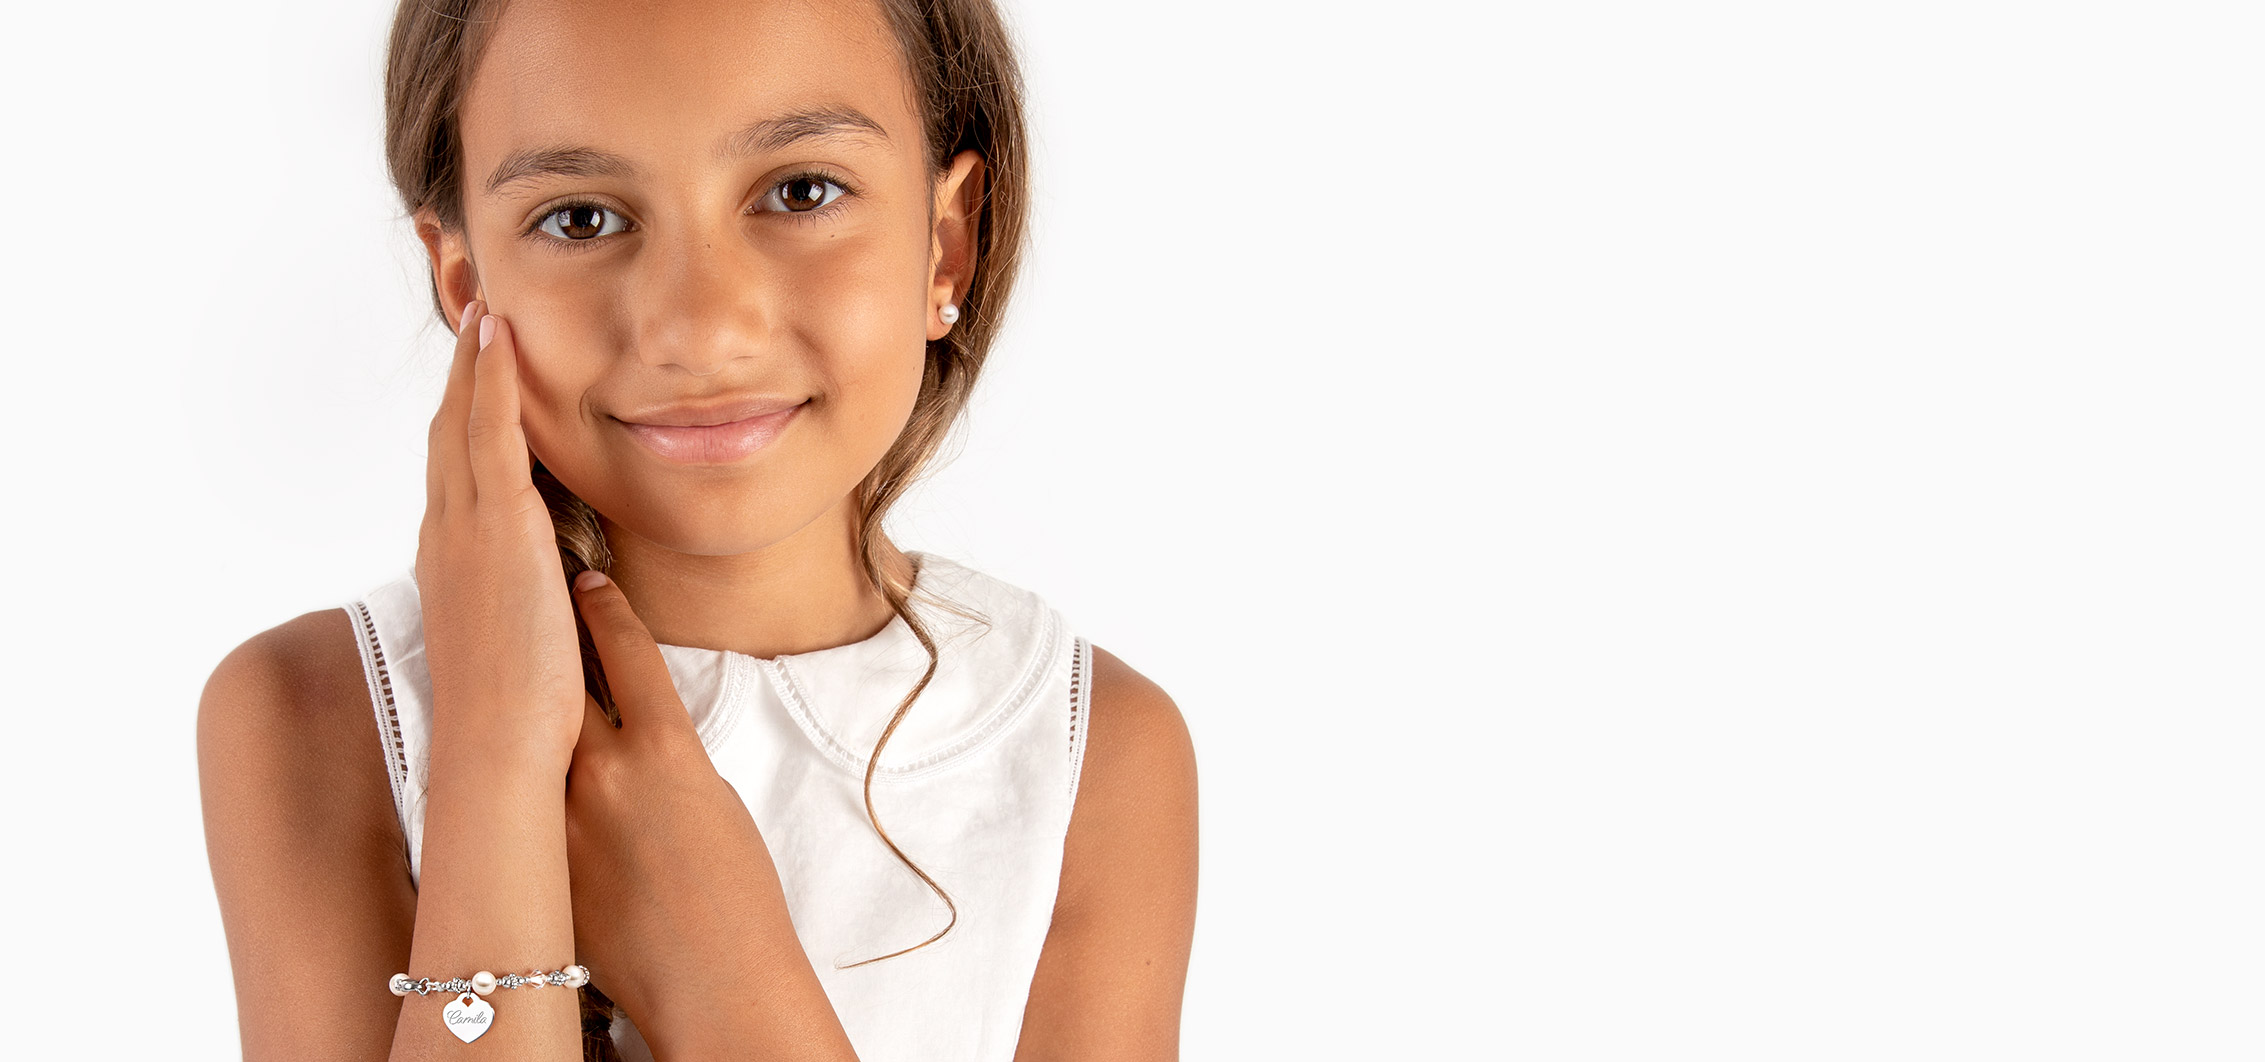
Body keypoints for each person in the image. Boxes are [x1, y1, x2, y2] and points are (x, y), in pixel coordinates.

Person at [195, 0, 1199, 1058]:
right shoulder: (320, 719)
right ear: (466, 282)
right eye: (580, 218)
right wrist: (493, 765)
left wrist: (726, 976)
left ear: (946, 246)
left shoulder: (1089, 758)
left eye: (801, 192)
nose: (701, 327)